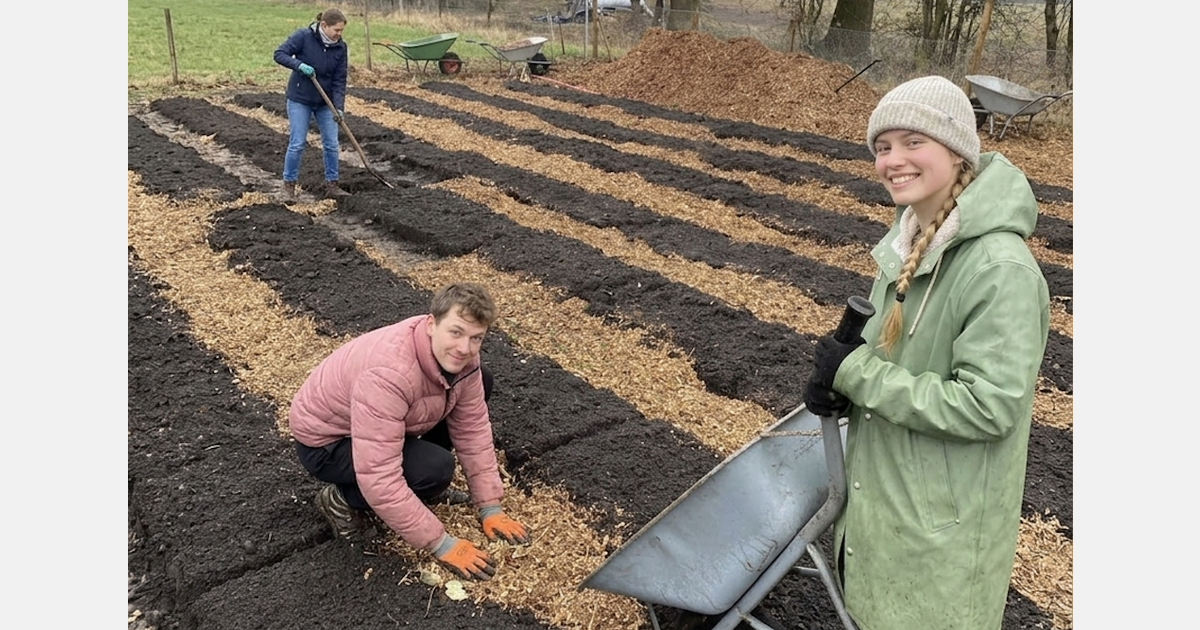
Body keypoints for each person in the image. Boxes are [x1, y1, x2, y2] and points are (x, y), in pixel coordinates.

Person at [802, 75, 1050, 630]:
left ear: (956, 149)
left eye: (914, 142)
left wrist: (858, 374)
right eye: (883, 147)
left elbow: (988, 406)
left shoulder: (998, 270)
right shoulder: (906, 243)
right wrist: (839, 385)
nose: (894, 160)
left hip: (940, 529)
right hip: (887, 504)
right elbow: (886, 360)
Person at [289, 283, 530, 581]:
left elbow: (472, 429)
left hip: (381, 424)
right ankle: (341, 499)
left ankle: (415, 484)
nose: (464, 348)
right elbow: (380, 475)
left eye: (476, 338)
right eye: (455, 332)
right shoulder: (388, 374)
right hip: (328, 444)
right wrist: (440, 543)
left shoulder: (464, 362)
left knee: (484, 380)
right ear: (431, 324)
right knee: (434, 471)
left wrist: (489, 506)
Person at [273, 9, 352, 202]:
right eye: (336, 30)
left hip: (325, 102)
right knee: (298, 143)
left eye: (342, 31)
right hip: (300, 98)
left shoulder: (340, 48)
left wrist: (338, 106)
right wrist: (298, 65)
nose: (339, 34)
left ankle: (332, 185)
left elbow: (339, 80)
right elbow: (279, 54)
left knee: (332, 144)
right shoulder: (303, 37)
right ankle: (288, 186)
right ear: (324, 26)